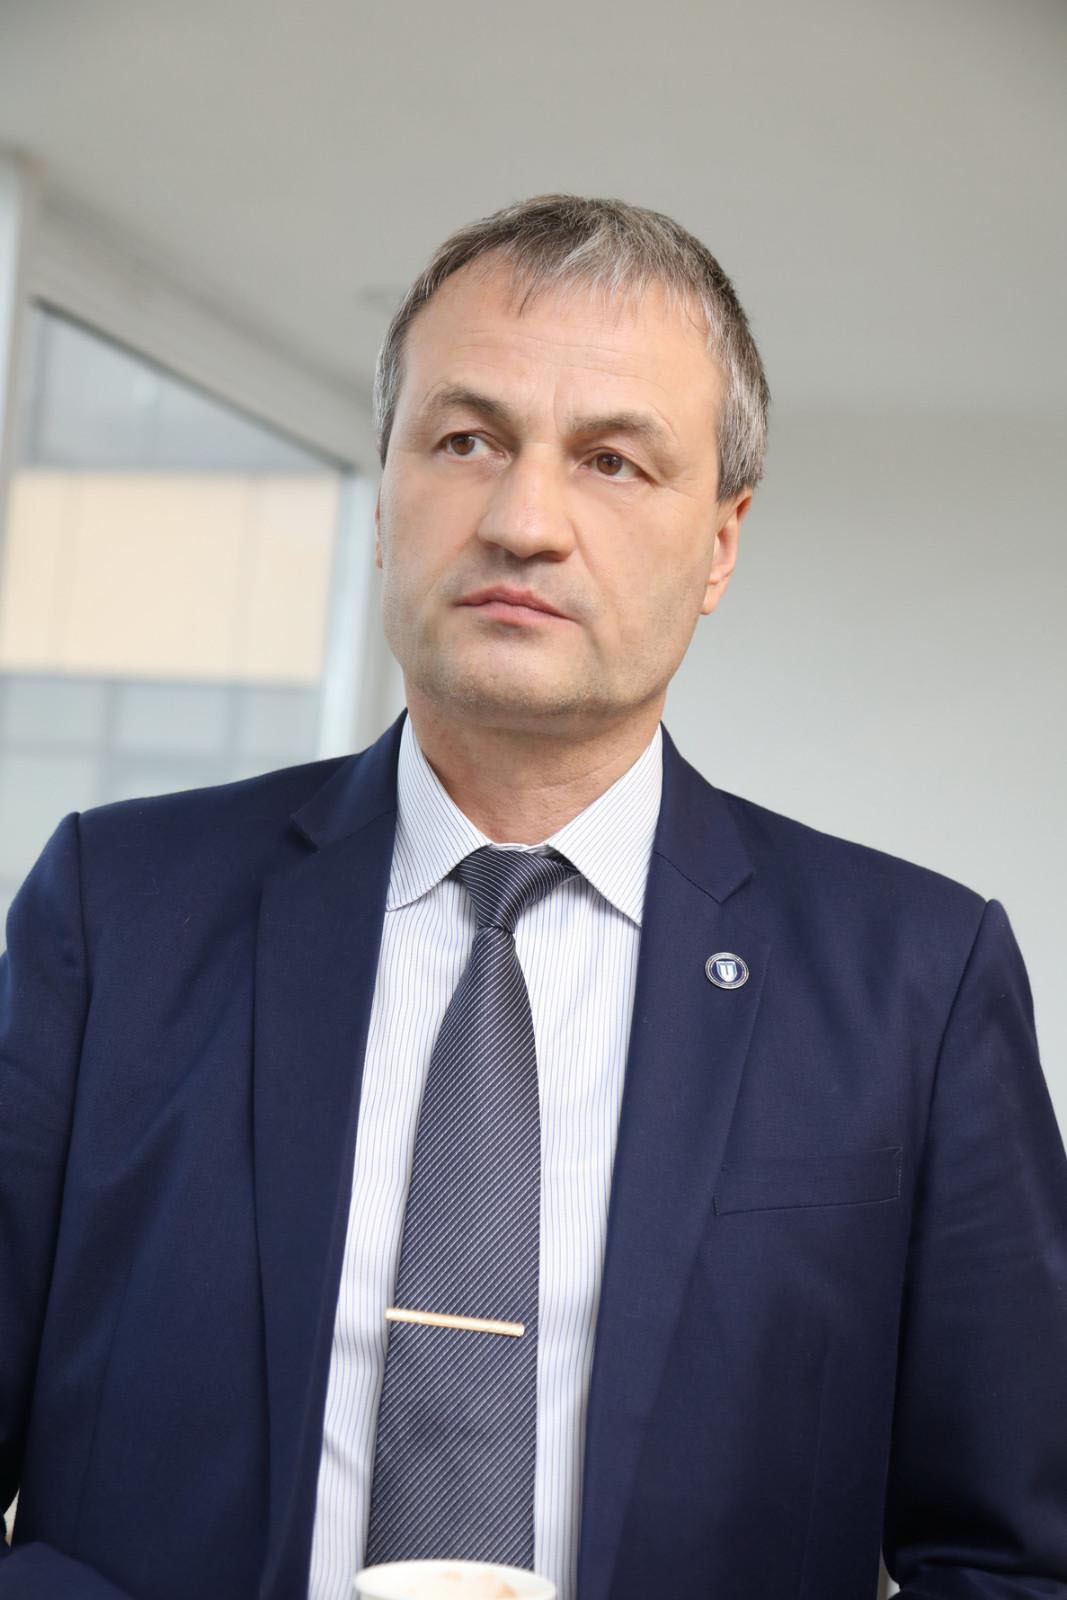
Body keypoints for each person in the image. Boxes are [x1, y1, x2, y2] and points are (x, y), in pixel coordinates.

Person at [1, 194, 1065, 1600]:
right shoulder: (115, 911)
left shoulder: (916, 984)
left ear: (722, 544)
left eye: (614, 461)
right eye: (466, 441)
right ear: (385, 494)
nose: (524, 521)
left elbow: (1015, 1558)